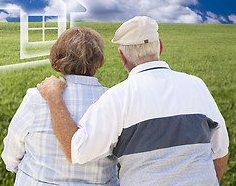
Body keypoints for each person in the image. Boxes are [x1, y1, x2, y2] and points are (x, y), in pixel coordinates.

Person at [37, 16, 229, 186]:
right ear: (160, 46)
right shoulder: (196, 86)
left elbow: (76, 150)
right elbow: (220, 153)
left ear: (122, 56)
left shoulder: (118, 97)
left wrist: (54, 96)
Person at [2, 26, 120, 185]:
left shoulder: (36, 97)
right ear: (98, 61)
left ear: (58, 57)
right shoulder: (114, 101)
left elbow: (12, 152)